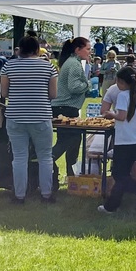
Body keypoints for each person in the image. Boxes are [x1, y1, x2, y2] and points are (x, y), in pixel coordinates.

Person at [0, 35, 57, 204]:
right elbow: (53, 94)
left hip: (15, 115)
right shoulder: (48, 67)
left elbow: (4, 93)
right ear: (37, 49)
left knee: (19, 157)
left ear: (19, 49)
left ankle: (19, 195)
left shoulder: (9, 66)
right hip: (41, 115)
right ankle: (46, 194)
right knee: (45, 156)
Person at [98, 67, 136, 214]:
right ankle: (112, 205)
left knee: (119, 174)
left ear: (120, 81)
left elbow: (122, 116)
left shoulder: (123, 96)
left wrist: (111, 114)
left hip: (124, 141)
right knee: (125, 174)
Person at [51, 37, 92, 176]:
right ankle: (44, 162)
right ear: (77, 50)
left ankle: (71, 175)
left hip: (63, 107)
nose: (90, 52)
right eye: (87, 49)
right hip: (65, 108)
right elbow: (74, 87)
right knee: (67, 141)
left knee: (73, 142)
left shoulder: (70, 62)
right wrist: (88, 84)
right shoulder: (74, 64)